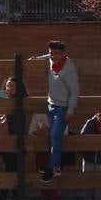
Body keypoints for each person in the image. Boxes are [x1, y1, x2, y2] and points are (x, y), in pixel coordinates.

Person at [31, 40, 79, 183]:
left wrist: (70, 110)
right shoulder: (51, 59)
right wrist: (37, 59)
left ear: (64, 53)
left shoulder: (69, 69)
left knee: (55, 137)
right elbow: (47, 56)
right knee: (53, 138)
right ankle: (57, 166)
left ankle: (51, 168)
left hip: (63, 107)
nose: (53, 56)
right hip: (51, 105)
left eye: (56, 53)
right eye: (51, 53)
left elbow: (75, 90)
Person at [0, 76, 28, 200]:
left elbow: (25, 96)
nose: (9, 88)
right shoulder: (1, 97)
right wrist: (3, 93)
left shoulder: (20, 100)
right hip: (3, 139)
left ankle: (5, 198)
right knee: (9, 168)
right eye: (8, 85)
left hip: (15, 140)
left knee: (11, 168)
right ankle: (8, 198)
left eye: (12, 86)